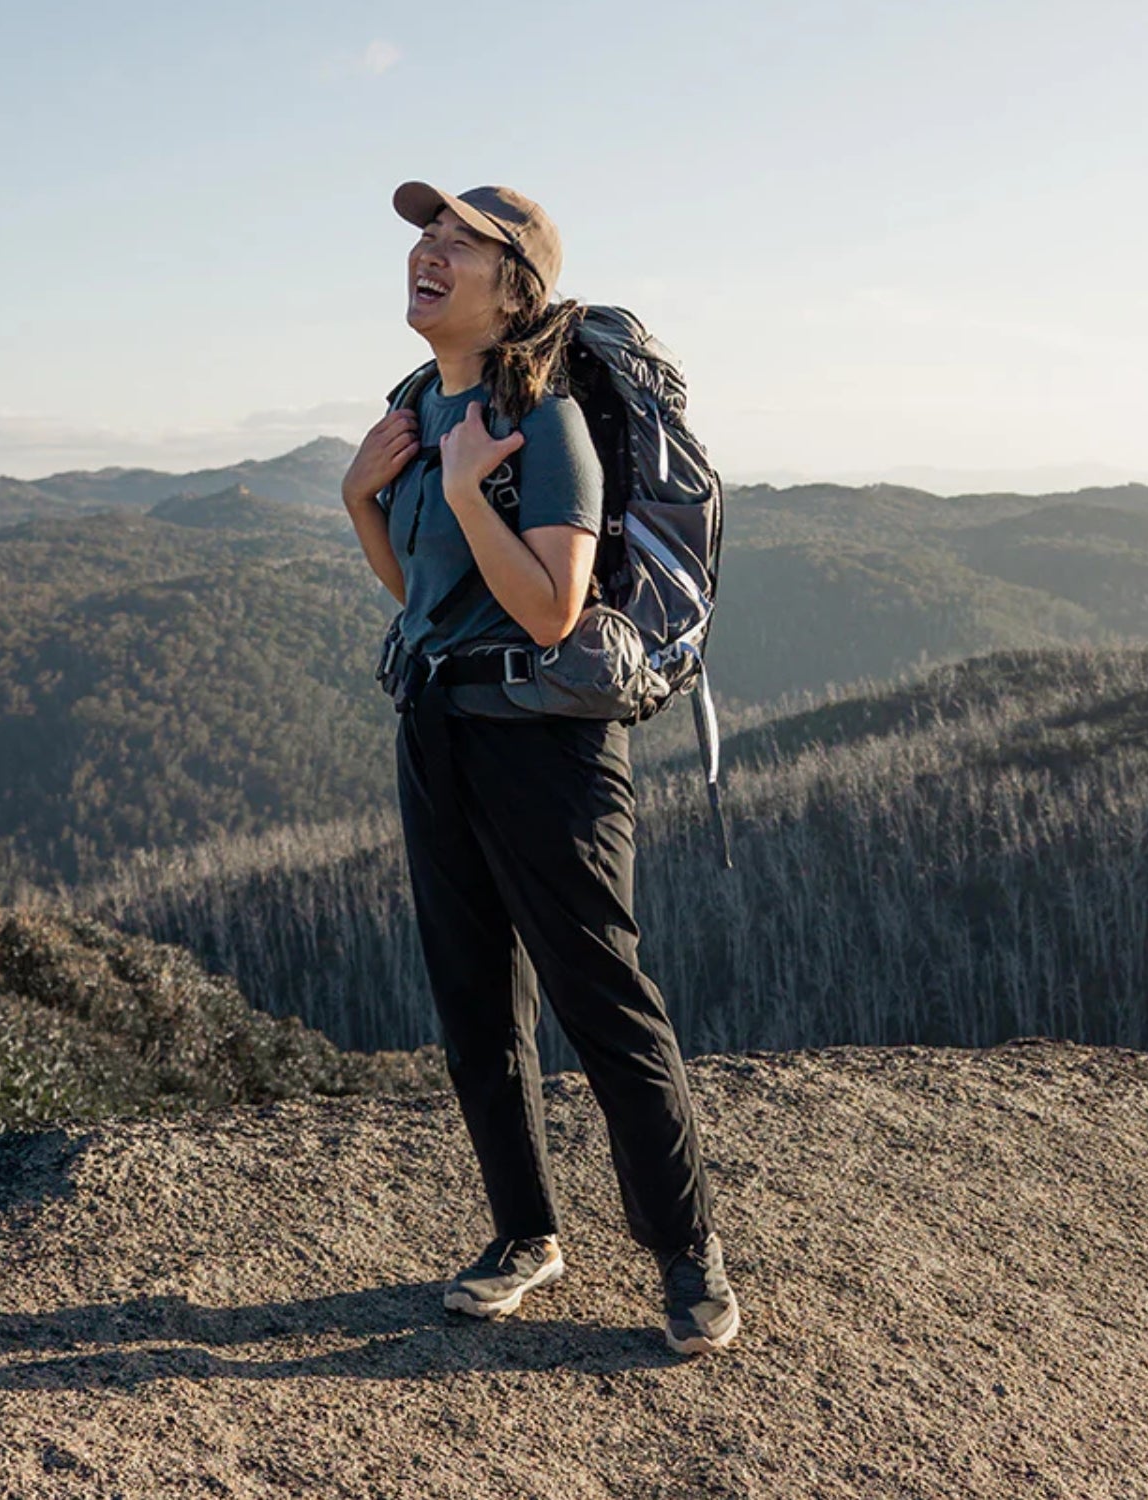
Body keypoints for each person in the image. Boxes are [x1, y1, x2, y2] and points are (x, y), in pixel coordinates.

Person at [340, 180, 739, 1356]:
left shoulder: (544, 418)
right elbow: (422, 594)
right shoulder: (422, 406)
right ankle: (525, 1234)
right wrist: (361, 492)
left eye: (458, 239)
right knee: (473, 1004)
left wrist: (467, 486)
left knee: (600, 998)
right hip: (439, 725)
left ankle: (687, 1253)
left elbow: (555, 607)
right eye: (425, 233)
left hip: (547, 746)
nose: (428, 249)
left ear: (516, 286)